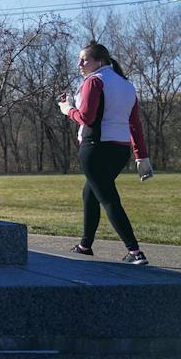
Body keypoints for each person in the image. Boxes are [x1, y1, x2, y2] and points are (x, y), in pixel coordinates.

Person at [57, 41, 154, 264]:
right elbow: (135, 124)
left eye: (85, 60)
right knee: (90, 194)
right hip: (120, 151)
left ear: (99, 62)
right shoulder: (126, 85)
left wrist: (67, 109)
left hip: (95, 149)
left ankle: (135, 251)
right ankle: (84, 245)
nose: (80, 63)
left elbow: (86, 118)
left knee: (109, 199)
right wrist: (141, 156)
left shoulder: (94, 82)